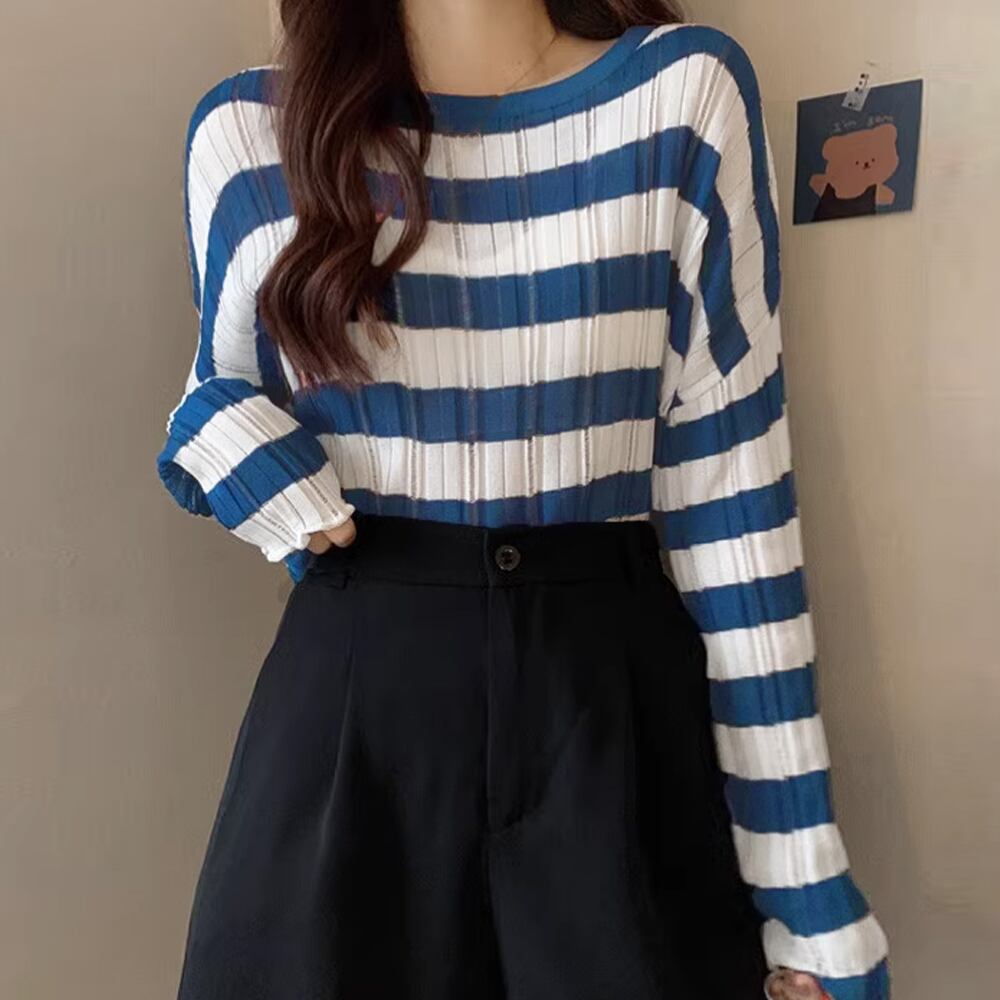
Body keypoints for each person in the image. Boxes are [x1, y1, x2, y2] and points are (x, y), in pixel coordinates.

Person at [155, 2, 890, 998]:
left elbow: (737, 511)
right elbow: (210, 398)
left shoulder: (680, 96)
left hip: (610, 715)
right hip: (355, 727)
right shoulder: (251, 131)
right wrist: (242, 456)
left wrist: (807, 897)